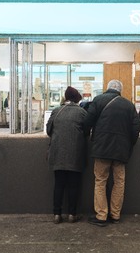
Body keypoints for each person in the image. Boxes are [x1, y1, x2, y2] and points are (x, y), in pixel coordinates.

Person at [83, 79, 140, 227]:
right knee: (119, 182)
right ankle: (115, 214)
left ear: (107, 88)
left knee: (100, 181)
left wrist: (88, 137)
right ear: (120, 90)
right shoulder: (129, 105)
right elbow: (136, 129)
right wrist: (129, 144)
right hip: (121, 151)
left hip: (102, 148)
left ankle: (101, 215)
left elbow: (87, 121)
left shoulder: (98, 100)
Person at [46, 86, 88, 224]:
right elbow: (87, 131)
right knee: (73, 185)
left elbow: (48, 130)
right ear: (77, 99)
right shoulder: (82, 112)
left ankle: (57, 214)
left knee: (58, 184)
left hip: (58, 153)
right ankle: (72, 214)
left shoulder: (57, 111)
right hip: (75, 153)